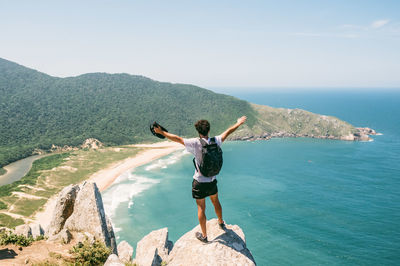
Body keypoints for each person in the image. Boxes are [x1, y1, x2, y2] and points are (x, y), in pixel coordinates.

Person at [154, 116, 247, 243]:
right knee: (216, 202)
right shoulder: (216, 141)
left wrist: (161, 132)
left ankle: (204, 235)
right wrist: (238, 123)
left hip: (199, 182)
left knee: (201, 208)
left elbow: (178, 139)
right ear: (208, 130)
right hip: (212, 180)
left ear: (198, 131)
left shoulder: (195, 143)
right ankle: (221, 222)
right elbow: (228, 131)